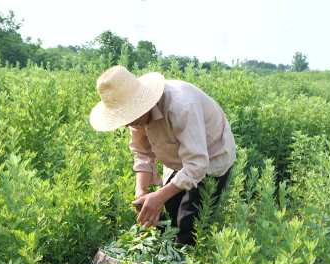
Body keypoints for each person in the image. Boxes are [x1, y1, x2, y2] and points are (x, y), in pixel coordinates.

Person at [89, 65, 236, 246]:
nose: (128, 124)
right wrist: (142, 191)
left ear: (142, 101)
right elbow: (142, 152)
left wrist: (158, 196)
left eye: (130, 116)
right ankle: (171, 253)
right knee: (172, 206)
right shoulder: (135, 118)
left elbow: (197, 164)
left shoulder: (181, 106)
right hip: (178, 157)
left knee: (189, 222)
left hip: (211, 156)